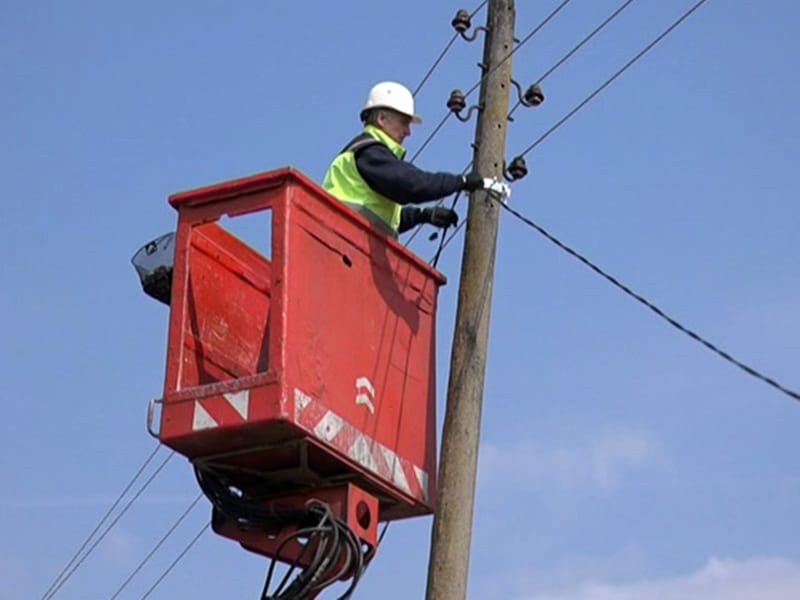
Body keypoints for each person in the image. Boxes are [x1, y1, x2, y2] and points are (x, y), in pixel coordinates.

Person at [322, 81, 487, 238]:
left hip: (345, 237)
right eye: (404, 122)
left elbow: (382, 216)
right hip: (343, 237)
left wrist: (422, 215)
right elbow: (412, 184)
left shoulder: (366, 154)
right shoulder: (369, 152)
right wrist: (461, 181)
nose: (408, 132)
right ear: (381, 119)